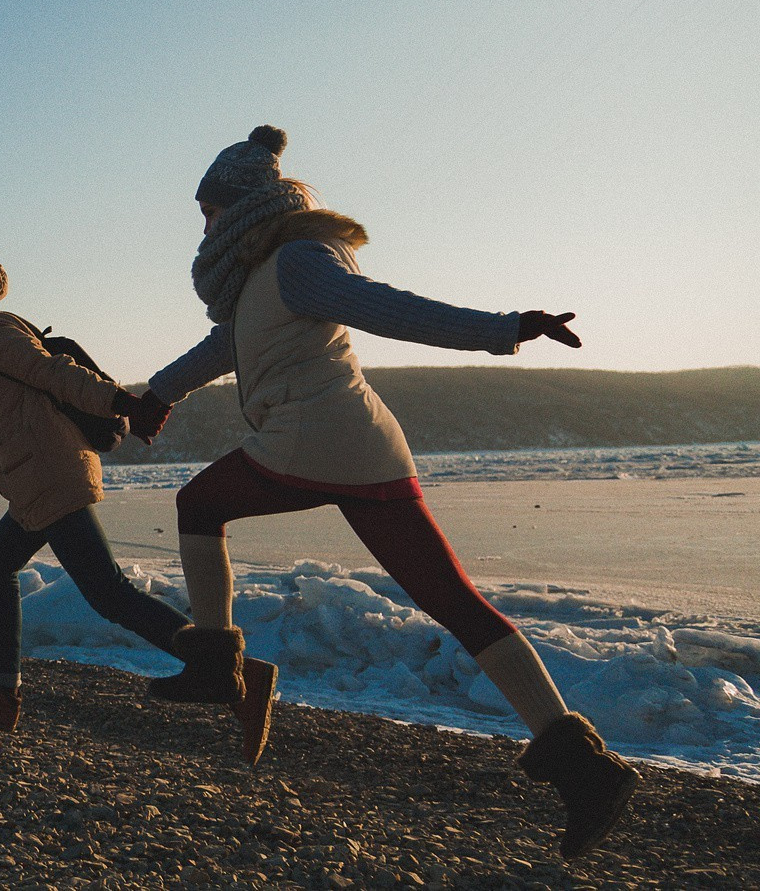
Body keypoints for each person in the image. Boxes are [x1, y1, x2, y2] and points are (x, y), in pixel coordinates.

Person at [127, 126, 638, 860]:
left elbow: (384, 306)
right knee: (456, 601)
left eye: (209, 209)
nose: (204, 225)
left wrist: (504, 328)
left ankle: (216, 662)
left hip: (315, 434)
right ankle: (584, 767)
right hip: (364, 447)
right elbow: (222, 349)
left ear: (243, 204)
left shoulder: (299, 256)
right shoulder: (261, 279)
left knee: (199, 504)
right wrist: (157, 394)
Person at [0, 239, 269, 742]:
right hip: (35, 478)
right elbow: (27, 396)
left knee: (109, 593)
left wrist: (125, 405)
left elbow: (55, 373)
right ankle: (2, 692)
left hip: (50, 476)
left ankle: (226, 668)